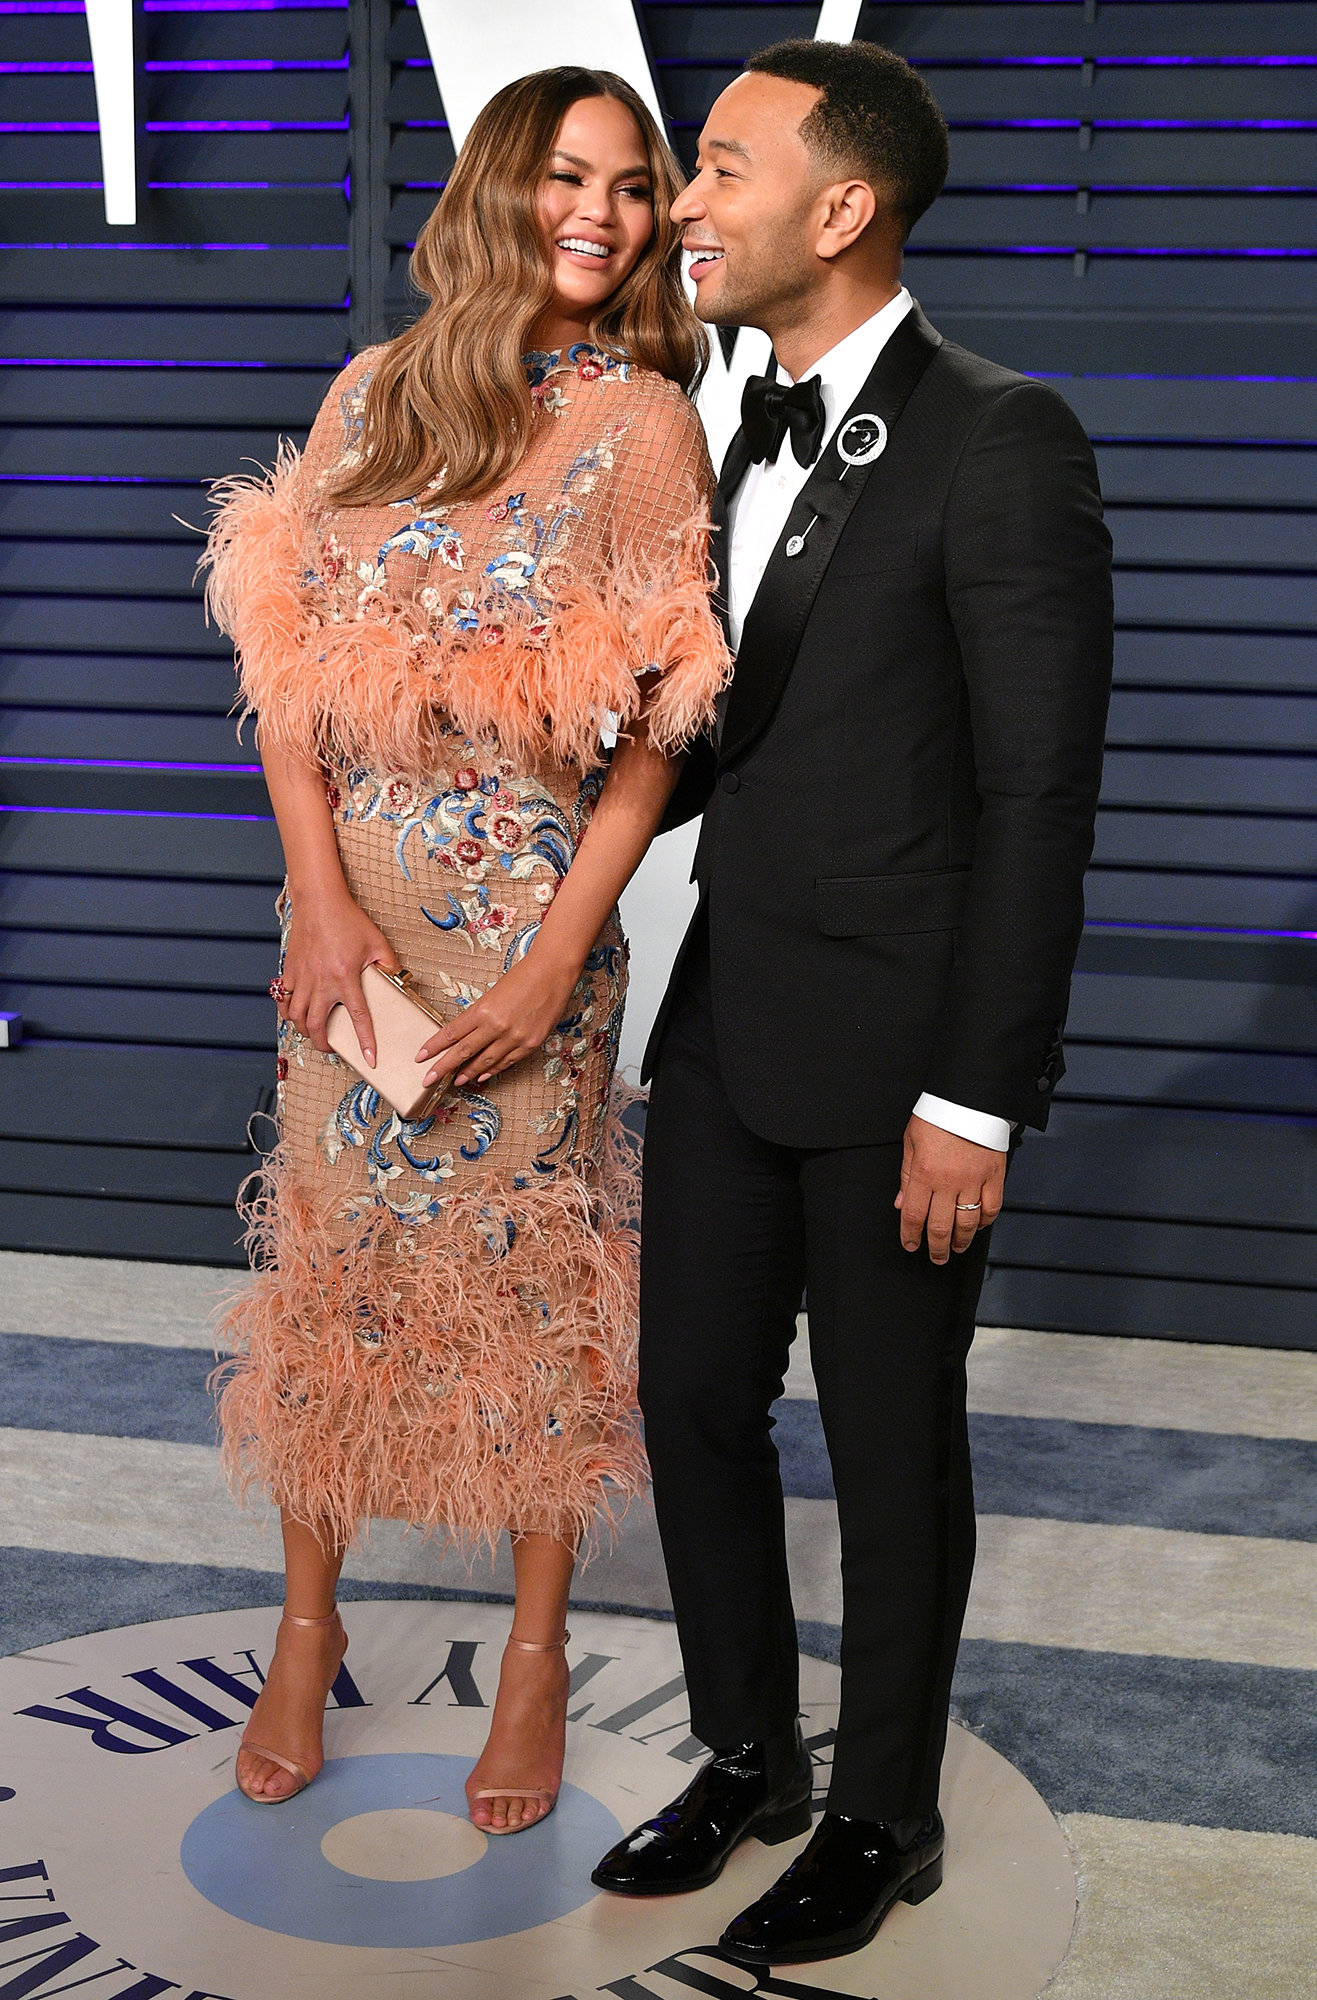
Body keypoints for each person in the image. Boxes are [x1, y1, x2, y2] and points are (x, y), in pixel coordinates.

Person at [591, 38, 1112, 1965]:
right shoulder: (726, 416)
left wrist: (974, 1100)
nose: (683, 203)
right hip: (728, 1017)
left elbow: (1037, 797)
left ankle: (886, 1810)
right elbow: (731, 731)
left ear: (841, 206)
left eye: (719, 167)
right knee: (688, 1401)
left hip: (902, 1060)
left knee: (890, 1446)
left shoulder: (1000, 435)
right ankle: (750, 1752)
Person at [202, 67, 727, 1833]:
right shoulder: (370, 392)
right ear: (498, 186)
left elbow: (655, 732)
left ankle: (533, 1659)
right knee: (332, 1282)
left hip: (526, 933)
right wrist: (319, 899)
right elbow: (287, 670)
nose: (606, 213)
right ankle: (304, 1630)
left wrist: (555, 964)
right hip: (349, 932)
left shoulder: (640, 420)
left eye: (636, 187)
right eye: (571, 177)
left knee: (535, 1292)